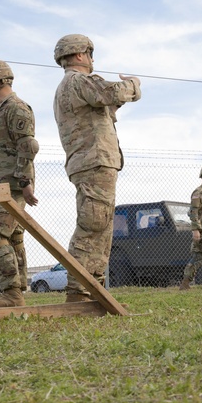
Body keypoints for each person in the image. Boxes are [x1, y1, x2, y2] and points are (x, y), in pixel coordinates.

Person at [53, 34, 140, 301]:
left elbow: (104, 105)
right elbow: (109, 92)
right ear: (80, 55)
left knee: (100, 226)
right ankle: (79, 289)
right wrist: (133, 85)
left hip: (91, 162)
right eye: (90, 54)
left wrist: (114, 103)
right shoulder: (78, 81)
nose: (92, 60)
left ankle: (92, 287)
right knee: (93, 225)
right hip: (94, 161)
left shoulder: (71, 86)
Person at [0, 59, 39, 308]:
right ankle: (18, 292)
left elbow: (28, 146)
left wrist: (25, 182)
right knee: (13, 237)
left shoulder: (16, 108)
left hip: (11, 185)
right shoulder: (0, 109)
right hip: (0, 184)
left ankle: (12, 292)